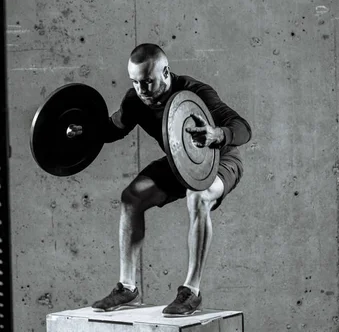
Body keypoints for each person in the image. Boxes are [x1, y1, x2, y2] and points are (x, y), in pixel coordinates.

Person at [68, 43, 252, 316]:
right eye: (135, 82)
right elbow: (113, 128)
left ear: (165, 72)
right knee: (132, 197)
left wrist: (218, 134)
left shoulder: (196, 92)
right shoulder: (135, 101)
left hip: (219, 159)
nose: (141, 89)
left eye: (147, 82)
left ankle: (191, 291)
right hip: (180, 162)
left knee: (199, 196)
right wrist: (84, 131)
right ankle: (127, 287)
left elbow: (243, 127)